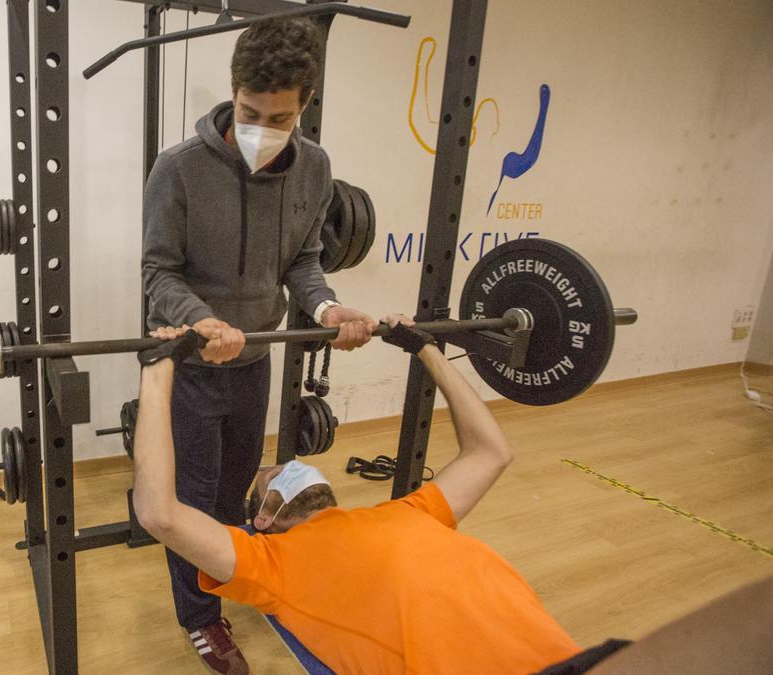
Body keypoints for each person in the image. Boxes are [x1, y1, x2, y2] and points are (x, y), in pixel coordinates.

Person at [131, 318, 773, 674]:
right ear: (264, 518)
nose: (278, 465)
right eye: (267, 475)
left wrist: (430, 351)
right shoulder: (270, 565)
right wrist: (159, 379)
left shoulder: (409, 510)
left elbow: (493, 451)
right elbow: (160, 513)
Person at [141, 18, 378, 671]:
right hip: (193, 363)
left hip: (255, 361)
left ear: (303, 105)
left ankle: (234, 579)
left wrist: (328, 306)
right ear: (233, 90)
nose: (262, 132)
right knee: (190, 499)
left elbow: (301, 262)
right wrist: (201, 321)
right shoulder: (179, 169)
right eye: (250, 113)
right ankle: (200, 618)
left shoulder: (316, 170)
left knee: (234, 491)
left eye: (280, 118)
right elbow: (157, 271)